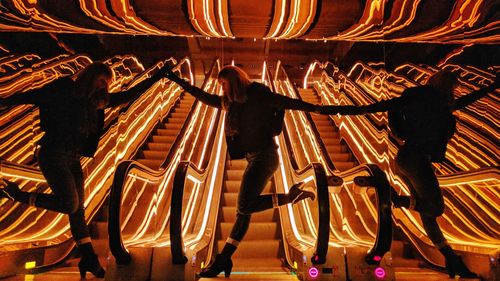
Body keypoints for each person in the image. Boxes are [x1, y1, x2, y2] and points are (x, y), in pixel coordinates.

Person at [0, 61, 170, 278]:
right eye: (101, 81)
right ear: (89, 77)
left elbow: (127, 95)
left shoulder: (97, 102)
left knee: (78, 210)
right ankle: (15, 194)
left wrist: (157, 78)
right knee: (70, 204)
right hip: (52, 154)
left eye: (107, 84)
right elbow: (34, 95)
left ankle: (89, 258)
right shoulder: (64, 89)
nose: (104, 87)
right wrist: (5, 100)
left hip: (72, 159)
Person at [322, 70, 498, 278]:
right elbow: (464, 102)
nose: (455, 92)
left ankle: (452, 261)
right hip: (415, 159)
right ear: (447, 87)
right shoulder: (438, 103)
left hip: (408, 157)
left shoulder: (419, 98)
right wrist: (492, 87)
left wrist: (400, 130)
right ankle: (395, 199)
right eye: (453, 87)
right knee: (435, 207)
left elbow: (388, 108)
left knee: (428, 216)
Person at [165, 65, 321, 278]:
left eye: (224, 83)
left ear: (234, 81)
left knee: (244, 206)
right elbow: (204, 97)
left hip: (265, 157)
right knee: (243, 211)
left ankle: (289, 198)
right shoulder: (230, 103)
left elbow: (286, 102)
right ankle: (223, 259)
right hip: (254, 158)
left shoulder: (257, 94)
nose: (222, 88)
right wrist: (179, 81)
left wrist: (317, 109)